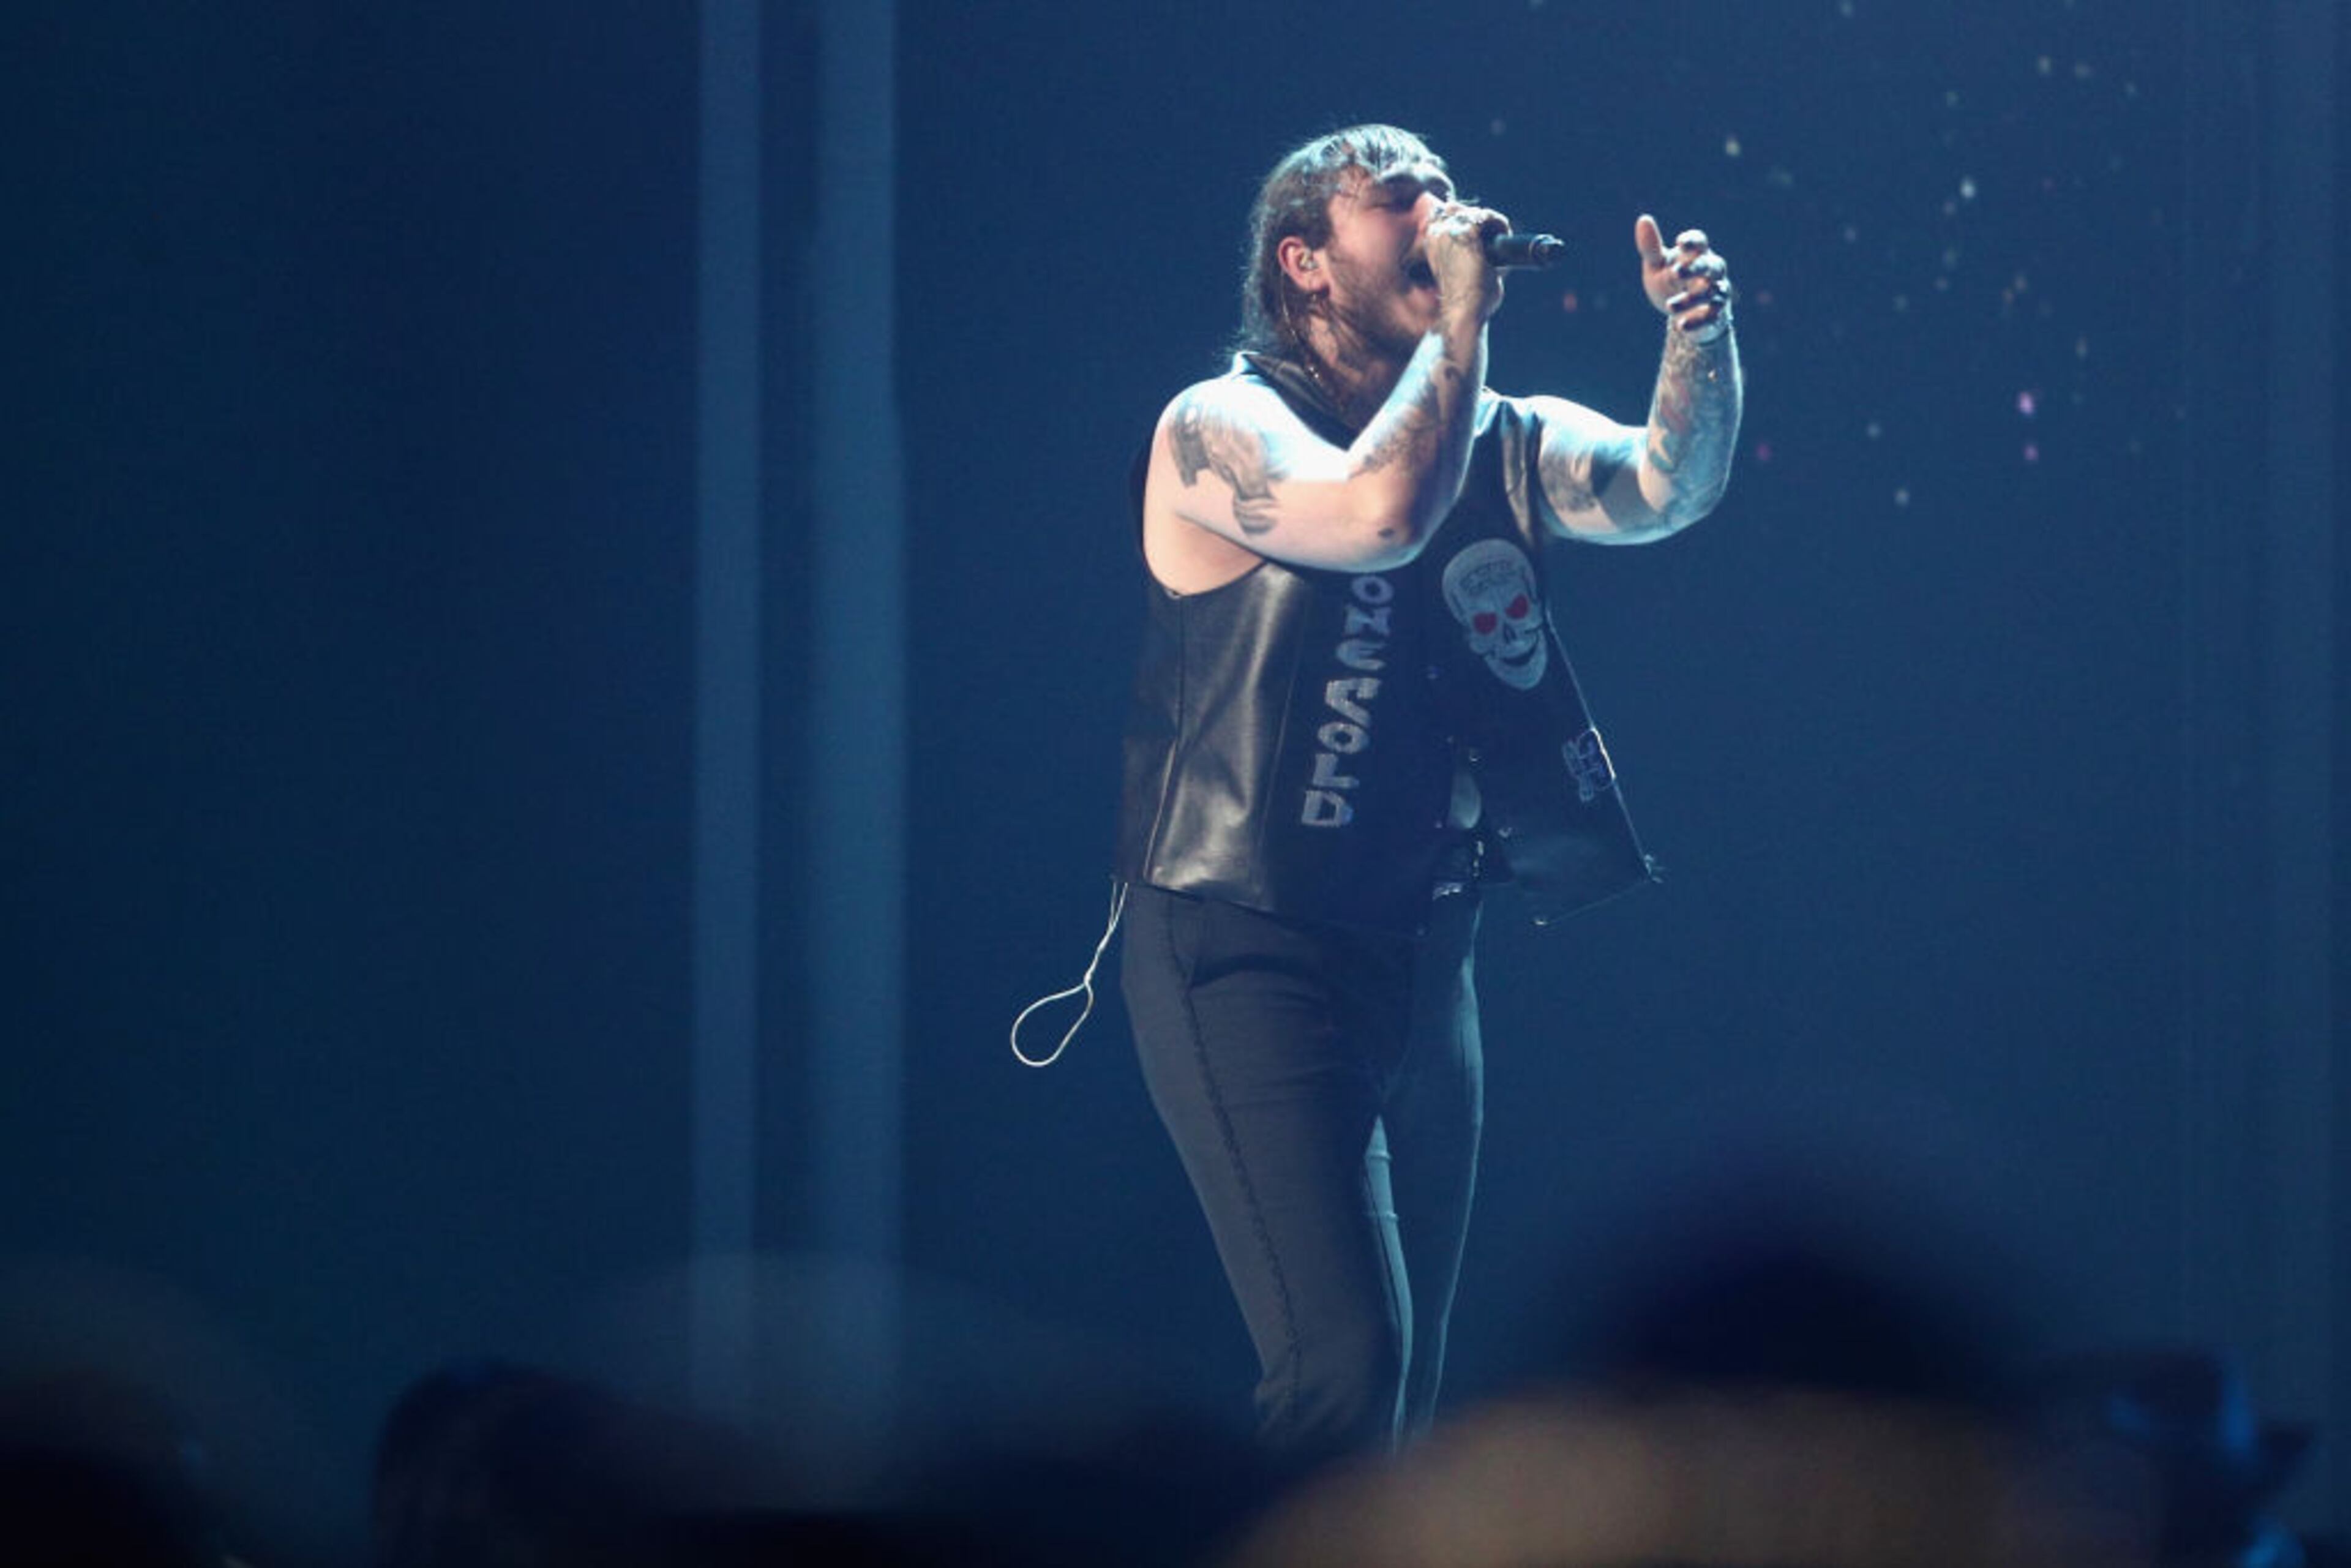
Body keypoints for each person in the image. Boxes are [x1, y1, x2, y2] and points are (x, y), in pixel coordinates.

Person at [1111, 123, 1742, 1466]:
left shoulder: (1493, 434)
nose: (1445, 211)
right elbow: (1376, 516)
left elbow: (1663, 490)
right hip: (1249, 943)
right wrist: (1462, 319)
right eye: (1400, 198)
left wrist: (1697, 339)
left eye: (1448, 189)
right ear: (1309, 266)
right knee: (1345, 1364)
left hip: (1422, 949)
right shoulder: (1218, 429)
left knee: (1404, 1404)